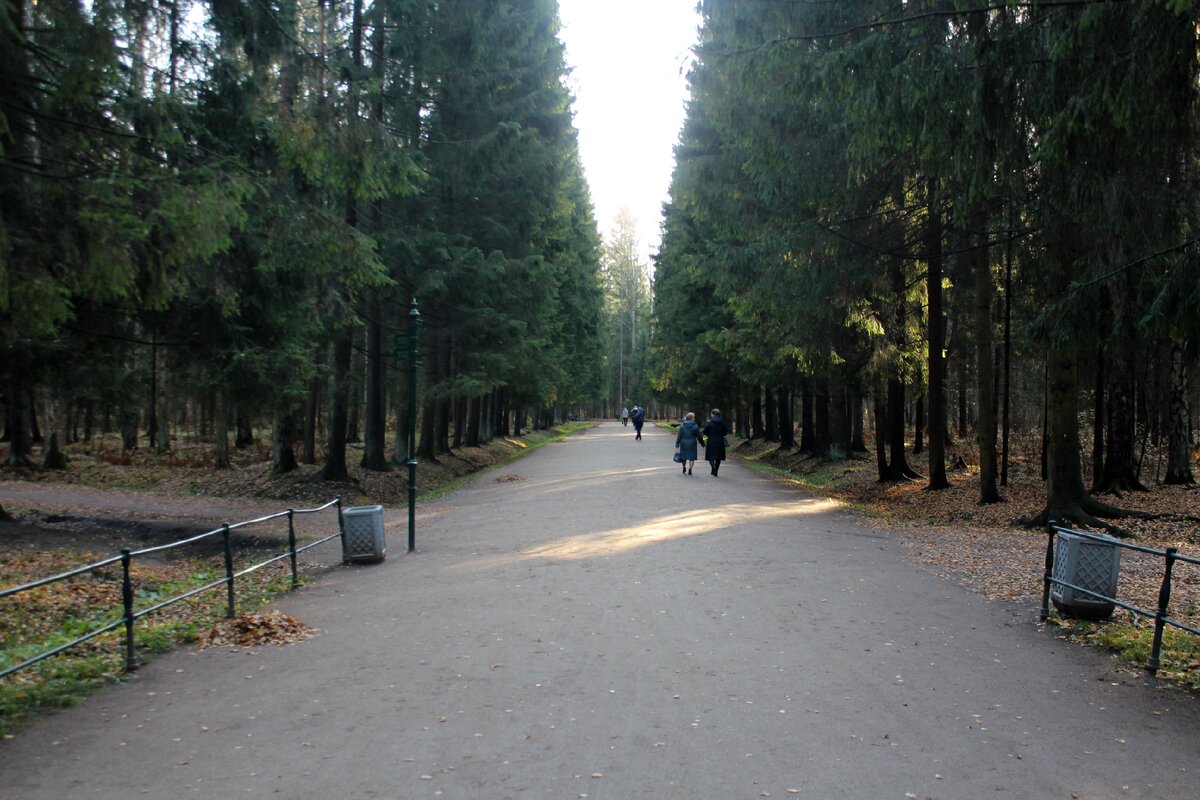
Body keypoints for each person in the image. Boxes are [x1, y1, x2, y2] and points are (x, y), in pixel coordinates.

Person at [702, 408, 728, 476]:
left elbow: (705, 431)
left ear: (713, 414)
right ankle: (716, 471)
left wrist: (709, 434)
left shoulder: (709, 422)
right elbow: (725, 432)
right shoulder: (722, 422)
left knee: (710, 456)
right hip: (720, 441)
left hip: (711, 441)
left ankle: (713, 467)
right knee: (718, 457)